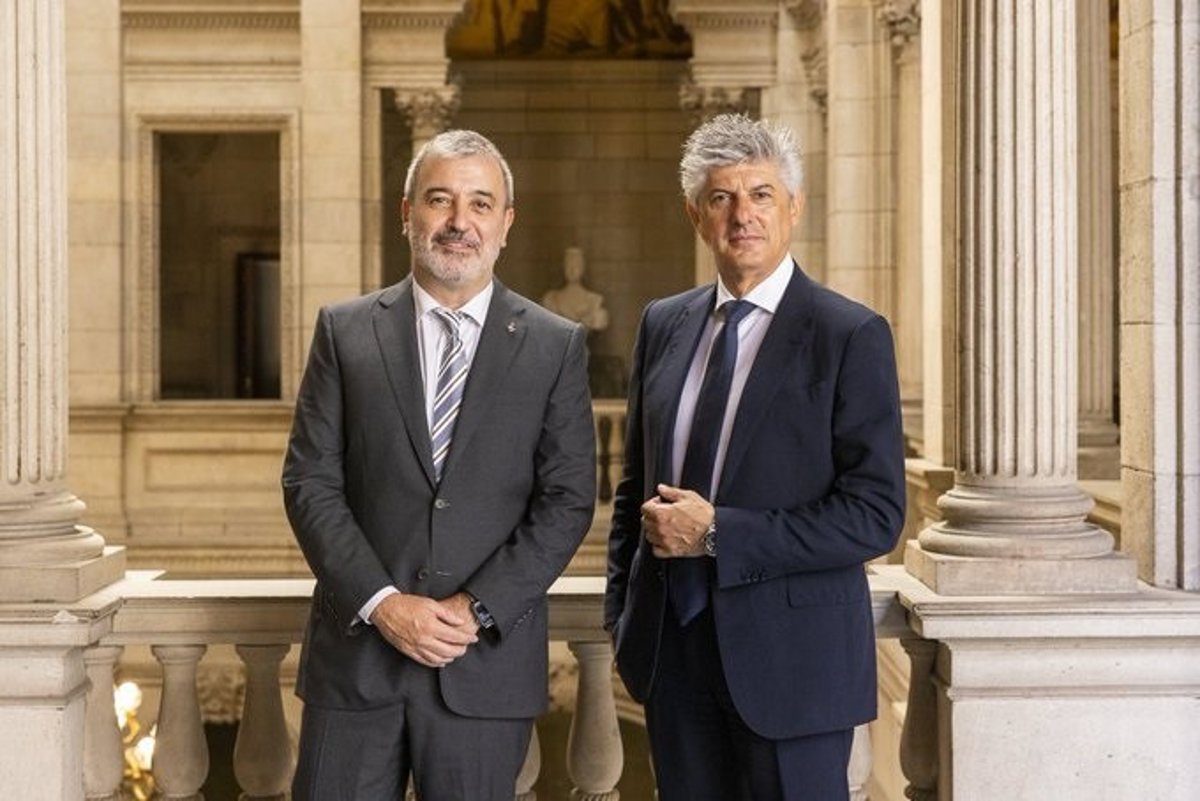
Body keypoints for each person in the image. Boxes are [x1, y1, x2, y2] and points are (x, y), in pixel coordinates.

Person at [282, 129, 596, 801]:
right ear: (407, 213)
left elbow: (568, 499)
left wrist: (474, 609)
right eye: (439, 199)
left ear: (506, 223)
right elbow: (310, 483)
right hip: (357, 663)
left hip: (482, 666)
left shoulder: (555, 345)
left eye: (481, 203)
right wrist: (384, 604)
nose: (459, 221)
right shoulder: (345, 330)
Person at [605, 113, 906, 801]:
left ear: (793, 206)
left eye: (761, 194)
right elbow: (632, 490)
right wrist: (624, 622)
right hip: (673, 664)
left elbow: (875, 514)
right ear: (697, 215)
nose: (743, 214)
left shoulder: (849, 333)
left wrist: (718, 533)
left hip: (795, 670)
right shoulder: (662, 323)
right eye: (722, 197)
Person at [541, 246, 609, 332]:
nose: (572, 269)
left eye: (576, 265)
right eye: (568, 264)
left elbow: (598, 324)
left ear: (583, 268)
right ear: (563, 267)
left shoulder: (594, 300)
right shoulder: (551, 299)